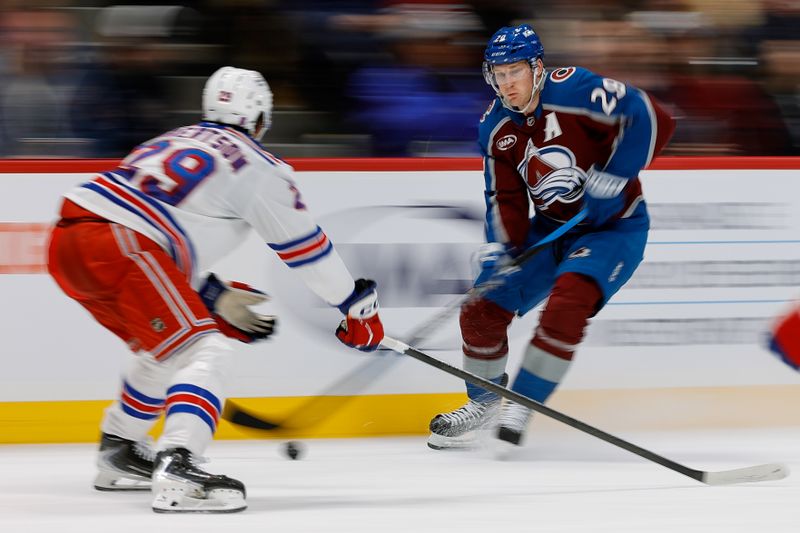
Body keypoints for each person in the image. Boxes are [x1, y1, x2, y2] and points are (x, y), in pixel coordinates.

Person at [47, 66, 385, 513]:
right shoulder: (257, 165)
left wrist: (215, 297)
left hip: (69, 240)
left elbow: (154, 223)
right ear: (262, 118)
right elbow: (308, 251)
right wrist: (356, 309)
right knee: (206, 351)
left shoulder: (171, 139)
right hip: (121, 244)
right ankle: (180, 466)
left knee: (164, 350)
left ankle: (121, 450)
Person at [427, 24, 675, 450]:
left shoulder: (576, 89)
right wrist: (499, 251)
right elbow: (503, 196)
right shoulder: (494, 127)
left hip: (613, 229)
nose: (506, 85)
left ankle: (522, 401)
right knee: (481, 308)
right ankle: (486, 403)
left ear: (537, 67)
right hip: (551, 230)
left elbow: (653, 117)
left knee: (569, 300)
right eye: (498, 75)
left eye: (514, 72)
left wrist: (614, 177)